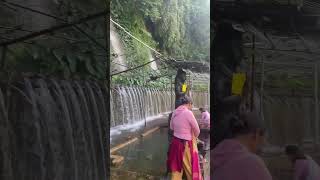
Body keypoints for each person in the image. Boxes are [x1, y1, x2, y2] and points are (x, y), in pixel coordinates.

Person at [211, 111, 272, 180]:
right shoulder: (252, 164)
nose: (265, 143)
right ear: (256, 134)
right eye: (265, 139)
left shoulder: (213, 156)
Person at [167, 96, 202, 180]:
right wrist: (195, 138)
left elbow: (171, 127)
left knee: (176, 168)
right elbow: (197, 130)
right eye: (191, 105)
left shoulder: (174, 112)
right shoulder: (188, 113)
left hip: (175, 143)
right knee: (190, 167)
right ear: (189, 104)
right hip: (186, 144)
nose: (192, 107)